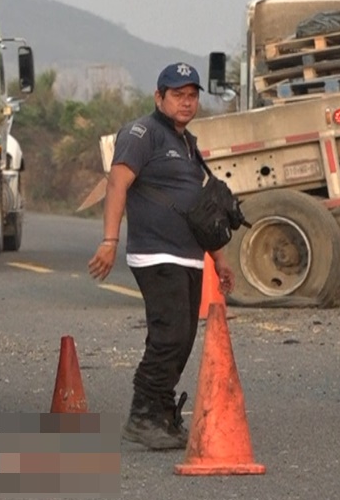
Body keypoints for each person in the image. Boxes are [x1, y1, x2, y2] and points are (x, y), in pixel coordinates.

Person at [87, 62, 235, 451]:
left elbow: (199, 208)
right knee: (168, 337)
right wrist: (108, 240)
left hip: (188, 256)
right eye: (177, 95)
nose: (186, 103)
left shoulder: (187, 141)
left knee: (182, 338)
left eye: (192, 96)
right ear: (159, 97)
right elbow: (118, 183)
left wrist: (219, 260)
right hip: (155, 253)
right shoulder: (143, 134)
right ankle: (142, 416)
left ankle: (162, 413)